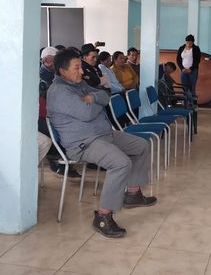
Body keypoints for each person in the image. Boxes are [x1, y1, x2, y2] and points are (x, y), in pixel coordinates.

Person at [47, 49, 156, 238]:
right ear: (62, 71)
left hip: (103, 134)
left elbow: (105, 96)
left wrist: (93, 98)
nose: (82, 71)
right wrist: (94, 103)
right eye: (77, 68)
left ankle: (132, 193)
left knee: (141, 146)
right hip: (84, 143)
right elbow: (87, 113)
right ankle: (103, 216)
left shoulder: (79, 84)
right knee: (121, 163)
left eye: (81, 67)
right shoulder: (59, 91)